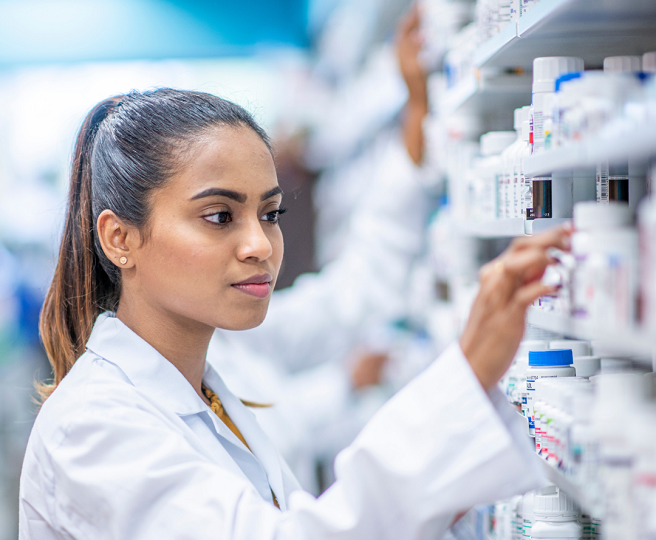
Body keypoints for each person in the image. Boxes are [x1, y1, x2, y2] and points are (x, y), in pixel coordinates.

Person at [20, 87, 569, 539]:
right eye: (218, 216)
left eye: (270, 213)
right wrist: (465, 377)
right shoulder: (93, 428)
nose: (259, 243)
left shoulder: (208, 390)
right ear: (120, 238)